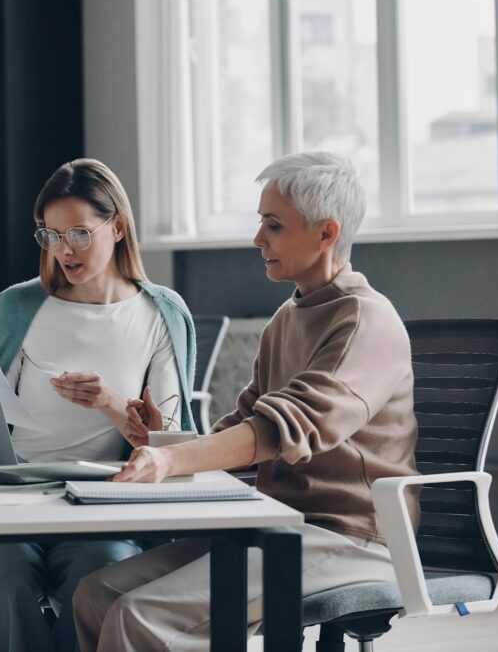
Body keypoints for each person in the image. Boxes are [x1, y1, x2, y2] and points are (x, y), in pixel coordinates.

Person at [73, 151, 419, 652]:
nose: (258, 239)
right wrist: (163, 442)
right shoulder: (287, 318)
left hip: (349, 537)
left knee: (137, 618)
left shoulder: (365, 320)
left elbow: (279, 430)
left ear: (326, 233)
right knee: (96, 594)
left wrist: (171, 460)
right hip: (274, 523)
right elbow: (242, 426)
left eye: (273, 226)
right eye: (261, 223)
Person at [0, 158, 198, 652]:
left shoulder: (159, 314)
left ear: (119, 227)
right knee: (7, 580)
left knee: (101, 574)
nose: (65, 249)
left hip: (102, 505)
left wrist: (111, 403)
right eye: (51, 234)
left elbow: (168, 445)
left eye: (80, 234)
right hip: (5, 500)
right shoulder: (16, 308)